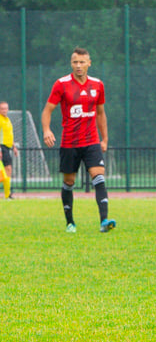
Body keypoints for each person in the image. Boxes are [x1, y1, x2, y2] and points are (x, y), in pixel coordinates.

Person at [41, 47, 116, 233]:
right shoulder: (61, 84)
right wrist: (46, 130)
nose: (79, 66)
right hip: (69, 143)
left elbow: (100, 114)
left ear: (89, 63)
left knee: (99, 176)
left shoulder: (98, 85)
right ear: (71, 64)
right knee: (69, 181)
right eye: (75, 62)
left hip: (91, 141)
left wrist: (104, 139)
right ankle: (70, 222)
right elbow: (47, 110)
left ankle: (104, 221)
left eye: (82, 62)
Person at [0, 101, 18, 199]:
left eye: (6, 108)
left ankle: (8, 193)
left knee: (8, 170)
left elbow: (10, 135)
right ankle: (8, 194)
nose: (4, 110)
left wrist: (14, 146)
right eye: (2, 108)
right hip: (1, 147)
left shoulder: (8, 120)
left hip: (7, 147)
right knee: (7, 169)